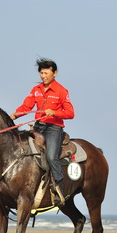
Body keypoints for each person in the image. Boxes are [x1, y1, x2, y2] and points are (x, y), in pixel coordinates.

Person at [10, 58, 75, 206]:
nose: (43, 76)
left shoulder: (61, 91)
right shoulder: (36, 90)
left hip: (54, 128)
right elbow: (26, 106)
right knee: (22, 151)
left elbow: (70, 113)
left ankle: (59, 189)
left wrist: (55, 112)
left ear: (55, 73)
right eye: (41, 73)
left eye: (46, 73)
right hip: (39, 127)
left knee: (52, 157)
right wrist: (16, 114)